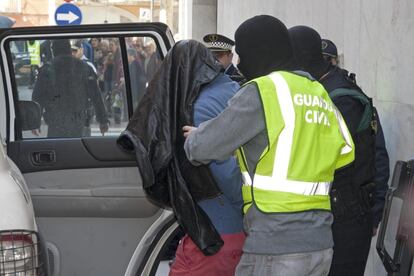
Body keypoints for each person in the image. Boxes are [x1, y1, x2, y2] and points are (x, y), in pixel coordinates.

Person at [183, 15, 355, 276]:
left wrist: (197, 134)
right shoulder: (316, 92)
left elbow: (201, 149)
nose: (240, 64)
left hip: (276, 246)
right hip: (321, 246)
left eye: (242, 55)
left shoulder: (263, 90)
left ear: (258, 52)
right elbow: (344, 152)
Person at [289, 25, 381, 276]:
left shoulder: (341, 96)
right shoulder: (320, 89)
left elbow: (344, 158)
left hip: (346, 217)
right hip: (331, 214)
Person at [169, 46, 245, 276]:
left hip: (217, 231)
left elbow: (223, 170)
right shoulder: (236, 91)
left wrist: (240, 204)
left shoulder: (199, 107)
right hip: (235, 229)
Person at [322, 38, 390, 237]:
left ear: (336, 62)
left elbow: (378, 158)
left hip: (351, 212)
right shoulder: (315, 100)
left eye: (328, 60)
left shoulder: (351, 99)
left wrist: (376, 212)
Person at [32, 39, 108, 138]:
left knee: (57, 150)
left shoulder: (47, 69)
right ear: (69, 49)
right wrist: (103, 120)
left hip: (55, 120)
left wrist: (34, 122)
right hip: (78, 120)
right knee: (78, 150)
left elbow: (38, 97)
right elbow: (96, 95)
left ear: (53, 50)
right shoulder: (84, 67)